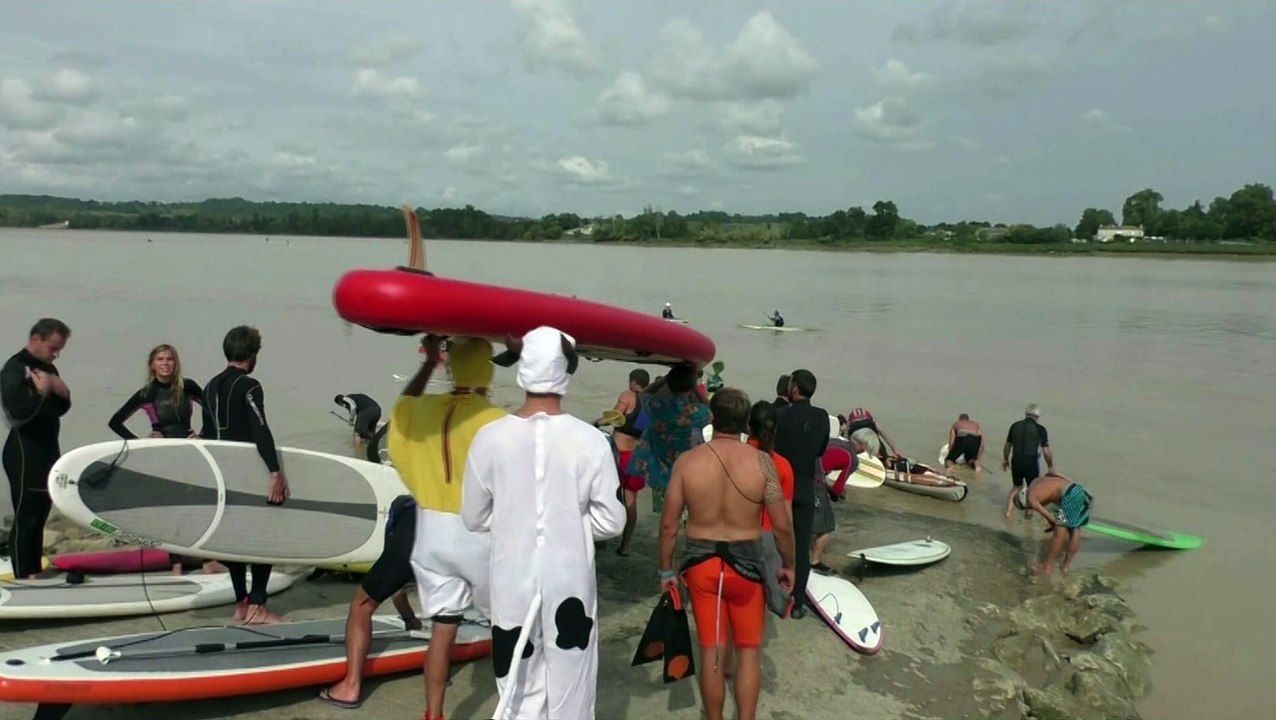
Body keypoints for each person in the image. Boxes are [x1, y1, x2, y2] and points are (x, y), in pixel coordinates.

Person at [462, 326, 626, 720]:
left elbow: (474, 516)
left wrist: (515, 523)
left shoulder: (488, 438)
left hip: (511, 575)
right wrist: (569, 524)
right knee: (573, 682)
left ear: (522, 370)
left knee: (516, 682)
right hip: (569, 578)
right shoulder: (591, 441)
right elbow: (612, 520)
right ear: (566, 372)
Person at [388, 334, 506, 720]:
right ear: (487, 369)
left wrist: (428, 363)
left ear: (449, 364)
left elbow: (402, 407)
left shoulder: (421, 410)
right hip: (479, 536)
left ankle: (434, 713)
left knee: (443, 629)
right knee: (509, 627)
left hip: (431, 537)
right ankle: (514, 706)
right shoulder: (497, 421)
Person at [659, 387, 796, 720]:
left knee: (712, 653)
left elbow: (668, 525)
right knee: (749, 652)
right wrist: (789, 564)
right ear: (746, 422)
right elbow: (781, 527)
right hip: (747, 568)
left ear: (712, 417)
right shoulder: (763, 463)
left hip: (702, 567)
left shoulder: (687, 462)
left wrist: (666, 572)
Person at [200, 325, 288, 624]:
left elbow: (208, 435)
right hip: (249, 472)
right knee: (264, 536)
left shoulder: (209, 387)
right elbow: (259, 428)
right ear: (251, 355)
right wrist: (275, 470)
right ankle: (258, 606)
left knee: (234, 539)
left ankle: (241, 604)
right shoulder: (250, 386)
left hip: (223, 472)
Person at [318, 494, 423, 710]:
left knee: (362, 605)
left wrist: (409, 618)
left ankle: (350, 686)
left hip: (414, 533)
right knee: (447, 615)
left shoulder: (401, 507)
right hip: (452, 537)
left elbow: (395, 588)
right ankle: (442, 671)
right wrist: (411, 620)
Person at [2, 318, 71, 579]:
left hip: (47, 448)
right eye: (53, 347)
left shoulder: (47, 368)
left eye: (59, 349)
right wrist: (42, 392)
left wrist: (61, 393)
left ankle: (33, 572)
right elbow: (18, 411)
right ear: (35, 340)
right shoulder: (14, 368)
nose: (56, 354)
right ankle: (22, 576)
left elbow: (60, 409)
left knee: (41, 512)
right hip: (24, 450)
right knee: (26, 516)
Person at [772, 369, 828, 620]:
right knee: (802, 544)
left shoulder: (780, 415)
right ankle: (798, 604)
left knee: (774, 539)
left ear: (793, 389)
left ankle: (774, 595)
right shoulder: (822, 416)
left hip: (781, 483)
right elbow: (821, 450)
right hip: (805, 485)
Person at [626, 362, 712, 514]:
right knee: (682, 514)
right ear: (690, 387)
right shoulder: (695, 412)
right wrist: (696, 389)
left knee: (665, 516)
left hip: (659, 470)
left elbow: (644, 394)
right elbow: (712, 410)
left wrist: (666, 378)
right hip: (685, 469)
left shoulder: (656, 405)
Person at [592, 368, 650, 557]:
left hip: (620, 454)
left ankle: (601, 537)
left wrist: (597, 423)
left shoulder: (628, 395)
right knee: (630, 500)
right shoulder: (650, 402)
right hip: (637, 455)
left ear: (633, 382)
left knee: (606, 493)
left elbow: (615, 417)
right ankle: (625, 546)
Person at [747, 400, 795, 619]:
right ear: (775, 429)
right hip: (769, 540)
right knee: (761, 601)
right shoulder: (783, 465)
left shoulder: (736, 458)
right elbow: (785, 519)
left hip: (737, 534)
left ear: (748, 426)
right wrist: (790, 562)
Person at [108, 344, 204, 439]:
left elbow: (213, 410)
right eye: (160, 359)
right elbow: (115, 423)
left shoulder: (188, 386)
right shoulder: (146, 393)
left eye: (170, 359)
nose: (165, 363)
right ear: (152, 365)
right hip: (160, 449)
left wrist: (203, 436)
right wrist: (141, 442)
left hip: (187, 446)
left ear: (176, 364)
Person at [1013, 472, 1092, 577]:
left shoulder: (1031, 499)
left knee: (1059, 532)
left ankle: (1047, 567)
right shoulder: (1035, 483)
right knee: (1075, 529)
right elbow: (1053, 476)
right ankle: (1065, 566)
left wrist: (1054, 523)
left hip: (1068, 496)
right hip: (1078, 490)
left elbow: (1052, 519)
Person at [1002, 404, 1054, 518]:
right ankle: (1028, 514)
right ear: (1038, 416)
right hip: (1031, 461)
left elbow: (1007, 445)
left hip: (1016, 459)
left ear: (1026, 413)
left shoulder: (1015, 426)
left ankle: (1008, 513)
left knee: (1016, 487)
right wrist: (1050, 466)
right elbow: (1046, 451)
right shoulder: (1040, 429)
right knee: (1033, 489)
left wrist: (1005, 459)